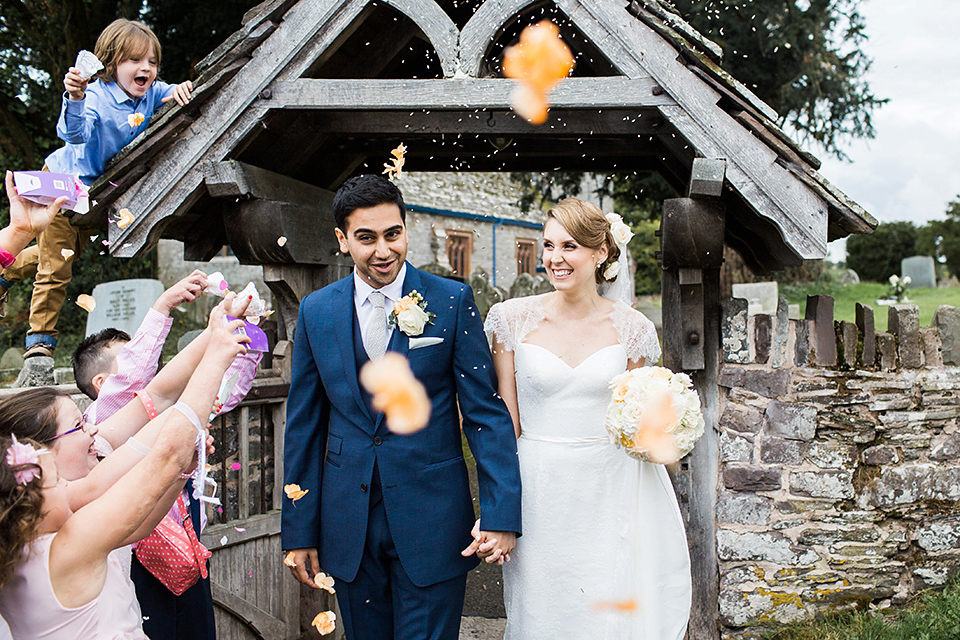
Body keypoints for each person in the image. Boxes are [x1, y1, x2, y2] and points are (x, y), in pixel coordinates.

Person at [281, 174, 522, 640]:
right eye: (366, 238)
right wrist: (299, 531)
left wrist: (501, 513)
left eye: (393, 234)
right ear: (342, 240)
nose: (383, 250)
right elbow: (304, 426)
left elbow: (485, 414)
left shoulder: (451, 301)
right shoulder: (316, 311)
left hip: (432, 516)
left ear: (406, 229)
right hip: (347, 522)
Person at [485, 198, 692, 639]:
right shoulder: (510, 320)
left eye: (570, 247)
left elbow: (641, 417)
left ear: (600, 253)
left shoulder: (633, 328)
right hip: (539, 486)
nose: (555, 259)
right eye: (548, 246)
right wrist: (495, 509)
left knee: (606, 605)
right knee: (540, 607)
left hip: (610, 486)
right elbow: (506, 424)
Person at [0, 299, 249, 639]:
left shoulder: (26, 535)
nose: (92, 428)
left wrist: (210, 334)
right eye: (55, 482)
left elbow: (156, 401)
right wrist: (216, 361)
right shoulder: (68, 543)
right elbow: (164, 458)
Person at [72, 272, 260, 640]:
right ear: (102, 384)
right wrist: (161, 307)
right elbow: (143, 384)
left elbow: (223, 390)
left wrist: (244, 332)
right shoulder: (100, 422)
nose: (146, 358)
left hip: (185, 552)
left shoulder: (167, 409)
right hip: (139, 559)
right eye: (130, 355)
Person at [0, 18, 193, 357]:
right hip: (62, 186)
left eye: (152, 62)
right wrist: (74, 96)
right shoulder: (94, 97)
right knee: (56, 265)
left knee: (62, 256)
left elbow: (169, 90)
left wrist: (179, 89)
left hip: (96, 194)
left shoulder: (150, 93)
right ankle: (39, 346)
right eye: (135, 60)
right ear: (111, 63)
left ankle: (6, 271)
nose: (146, 68)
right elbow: (74, 134)